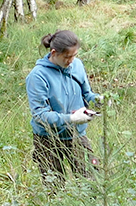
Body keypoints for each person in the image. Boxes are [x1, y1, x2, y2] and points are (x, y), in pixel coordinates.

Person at [27, 29, 96, 180]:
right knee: (54, 187)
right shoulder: (37, 76)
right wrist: (71, 119)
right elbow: (39, 114)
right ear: (54, 53)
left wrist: (99, 99)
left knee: (90, 182)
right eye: (67, 57)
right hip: (47, 139)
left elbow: (87, 94)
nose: (71, 60)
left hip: (77, 134)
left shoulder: (77, 65)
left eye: (74, 55)